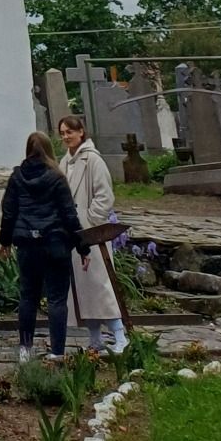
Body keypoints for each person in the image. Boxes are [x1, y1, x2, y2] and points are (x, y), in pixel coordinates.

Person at [0, 131, 89, 363]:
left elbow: (8, 212)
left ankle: (25, 350)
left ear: (27, 150)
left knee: (28, 296)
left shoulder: (17, 177)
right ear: (49, 150)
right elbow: (69, 215)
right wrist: (83, 247)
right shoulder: (57, 177)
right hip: (55, 242)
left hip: (27, 244)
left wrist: (4, 241)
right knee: (57, 299)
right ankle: (57, 351)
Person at [58, 114, 126, 353]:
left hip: (91, 232)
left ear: (81, 132)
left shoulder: (93, 160)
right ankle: (95, 337)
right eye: (62, 133)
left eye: (70, 132)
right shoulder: (64, 163)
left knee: (100, 284)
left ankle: (119, 334)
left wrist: (91, 220)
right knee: (82, 289)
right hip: (73, 233)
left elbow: (104, 195)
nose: (66, 137)